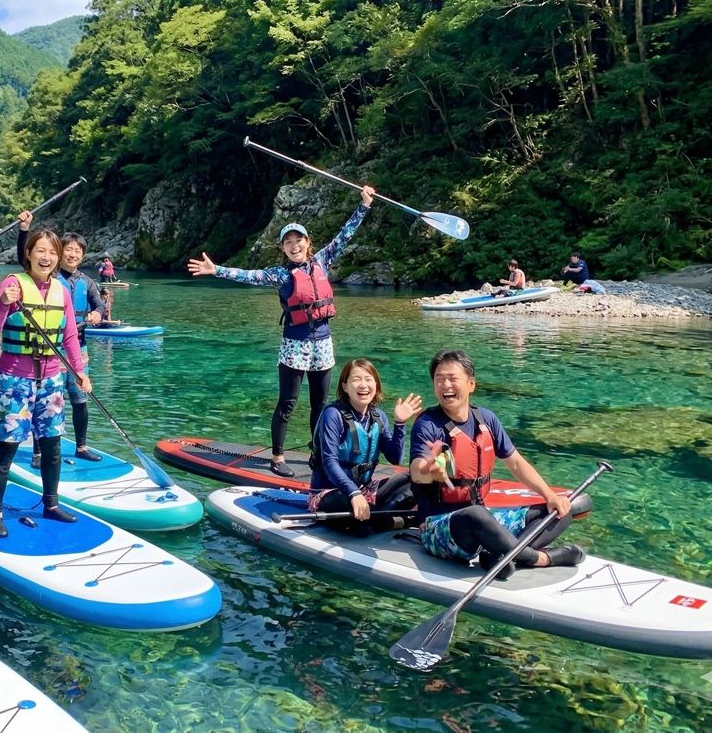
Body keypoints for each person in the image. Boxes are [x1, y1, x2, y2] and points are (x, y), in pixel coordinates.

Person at [187, 185, 375, 477]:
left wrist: (364, 206)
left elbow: (345, 235)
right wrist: (217, 270)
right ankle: (277, 456)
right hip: (294, 345)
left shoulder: (322, 262)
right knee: (287, 403)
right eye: (287, 241)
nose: (293, 244)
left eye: (298, 239)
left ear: (307, 243)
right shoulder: (280, 274)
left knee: (320, 405)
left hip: (323, 344)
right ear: (283, 248)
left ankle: (319, 454)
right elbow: (248, 275)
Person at [409, 349, 586, 580]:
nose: (445, 385)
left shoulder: (486, 419)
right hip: (438, 527)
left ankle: (502, 556)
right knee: (475, 515)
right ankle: (540, 558)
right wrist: (428, 471)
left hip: (484, 517)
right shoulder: (427, 424)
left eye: (452, 378)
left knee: (563, 509)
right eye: (439, 379)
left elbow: (516, 463)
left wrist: (549, 495)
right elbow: (416, 471)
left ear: (471, 384)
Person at [0, 228, 92, 538]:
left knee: (52, 445)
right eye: (40, 250)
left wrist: (78, 371)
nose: (46, 257)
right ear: (29, 253)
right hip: (15, 379)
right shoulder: (12, 284)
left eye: (52, 252)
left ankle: (51, 504)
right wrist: (4, 302)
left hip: (52, 380)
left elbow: (70, 335)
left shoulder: (61, 289)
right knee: (7, 448)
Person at [16, 212, 105, 465]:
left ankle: (81, 446)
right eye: (68, 250)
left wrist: (98, 313)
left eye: (78, 251)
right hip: (48, 351)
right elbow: (25, 255)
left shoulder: (87, 282)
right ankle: (38, 451)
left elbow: (98, 304)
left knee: (79, 400)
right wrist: (25, 230)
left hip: (79, 349)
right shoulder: (48, 279)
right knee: (43, 402)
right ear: (59, 252)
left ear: (83, 255)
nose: (73, 255)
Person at [307, 359, 423, 533]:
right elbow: (329, 463)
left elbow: (395, 458)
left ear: (375, 384)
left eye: (369, 379)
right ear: (345, 386)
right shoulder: (333, 415)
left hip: (365, 490)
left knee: (417, 478)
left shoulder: (378, 417)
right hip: (330, 493)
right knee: (360, 526)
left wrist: (400, 423)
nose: (363, 385)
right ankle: (393, 519)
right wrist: (354, 493)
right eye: (356, 380)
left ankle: (381, 517)